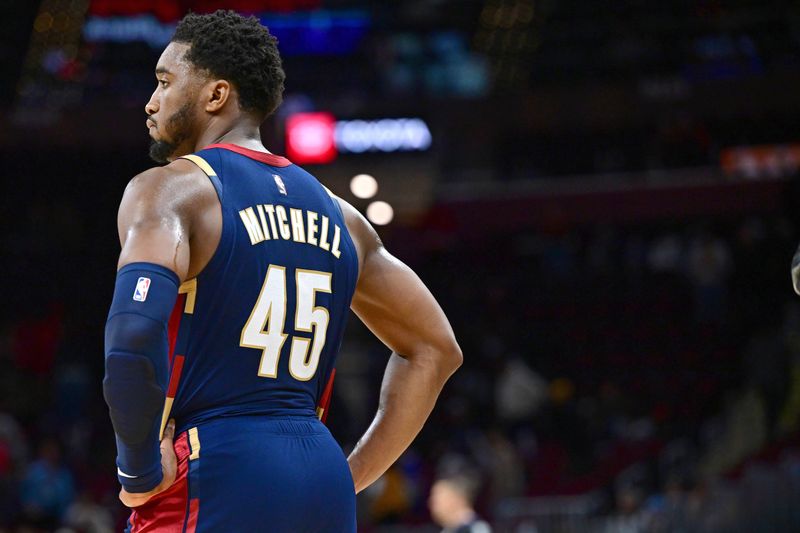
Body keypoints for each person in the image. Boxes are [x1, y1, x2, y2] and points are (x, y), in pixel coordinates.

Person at [103, 10, 462, 533]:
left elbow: (133, 334)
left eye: (163, 82)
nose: (150, 101)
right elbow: (436, 349)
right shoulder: (343, 217)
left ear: (216, 95)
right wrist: (350, 474)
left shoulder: (172, 190)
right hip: (317, 472)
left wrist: (136, 469)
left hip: (213, 463)